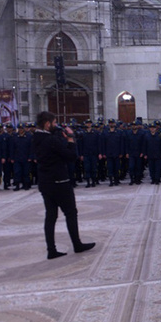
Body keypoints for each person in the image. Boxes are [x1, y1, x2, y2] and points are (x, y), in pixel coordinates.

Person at [32, 111, 95, 259]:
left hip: (45, 182)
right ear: (47, 124)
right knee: (71, 213)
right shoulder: (50, 140)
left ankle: (51, 249)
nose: (56, 126)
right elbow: (71, 156)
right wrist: (71, 139)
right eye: (54, 123)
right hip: (59, 182)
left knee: (51, 216)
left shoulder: (36, 138)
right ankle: (77, 244)